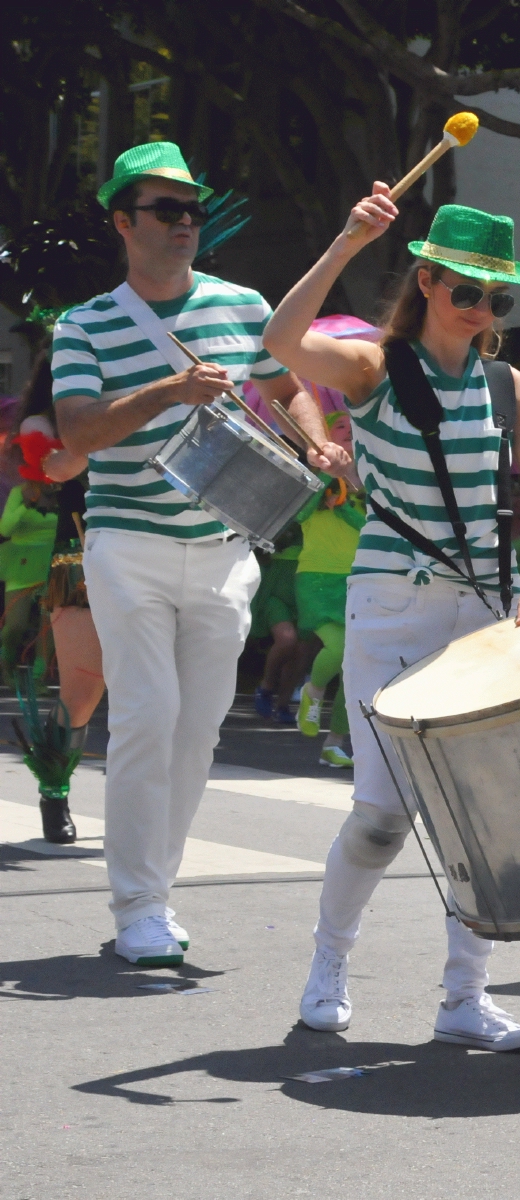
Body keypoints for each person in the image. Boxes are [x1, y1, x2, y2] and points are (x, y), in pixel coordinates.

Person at [265, 193, 520, 1051]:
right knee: (380, 814)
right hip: (391, 605)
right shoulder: (371, 366)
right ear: (428, 281)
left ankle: (463, 999)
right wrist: (346, 238)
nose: (481, 309)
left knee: (482, 815)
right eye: (466, 290)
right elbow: (281, 344)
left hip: (483, 611)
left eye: (496, 299)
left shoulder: (507, 386)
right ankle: (328, 964)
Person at [51, 142, 301, 967]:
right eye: (166, 210)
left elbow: (288, 389)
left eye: (192, 210)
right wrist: (168, 389)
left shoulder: (241, 304)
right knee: (149, 716)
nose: (184, 224)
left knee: (196, 734)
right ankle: (140, 906)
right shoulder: (83, 323)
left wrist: (322, 445)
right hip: (127, 542)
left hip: (226, 546)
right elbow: (80, 431)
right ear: (124, 222)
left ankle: (157, 888)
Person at [15, 355, 104, 844]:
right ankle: (55, 789)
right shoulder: (41, 423)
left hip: (156, 552)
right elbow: (46, 476)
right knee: (83, 689)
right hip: (81, 557)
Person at [293, 474, 365, 768]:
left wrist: (345, 504)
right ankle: (315, 691)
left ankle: (334, 743)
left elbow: (369, 529)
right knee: (337, 649)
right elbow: (299, 514)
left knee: (356, 667)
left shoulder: (366, 499)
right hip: (317, 582)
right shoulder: (312, 494)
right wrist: (324, 481)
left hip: (356, 583)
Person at [248, 530, 306, 724]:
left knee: (299, 649)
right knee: (287, 639)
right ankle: (266, 687)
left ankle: (282, 705)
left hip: (309, 580)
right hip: (276, 580)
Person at [0, 479, 57, 671]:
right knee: (15, 624)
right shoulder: (20, 491)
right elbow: (5, 529)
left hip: (54, 562)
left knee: (49, 626)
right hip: (21, 562)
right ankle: (6, 665)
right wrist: (26, 504)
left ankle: (39, 676)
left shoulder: (67, 490)